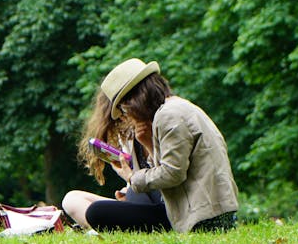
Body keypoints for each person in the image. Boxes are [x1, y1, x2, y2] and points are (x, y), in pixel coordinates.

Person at [62, 58, 238, 233]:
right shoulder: (174, 108)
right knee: (87, 202)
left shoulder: (168, 115)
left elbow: (173, 174)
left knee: (96, 212)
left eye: (123, 109)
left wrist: (132, 178)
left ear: (135, 99)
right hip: (203, 212)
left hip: (203, 218)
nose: (125, 116)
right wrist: (147, 142)